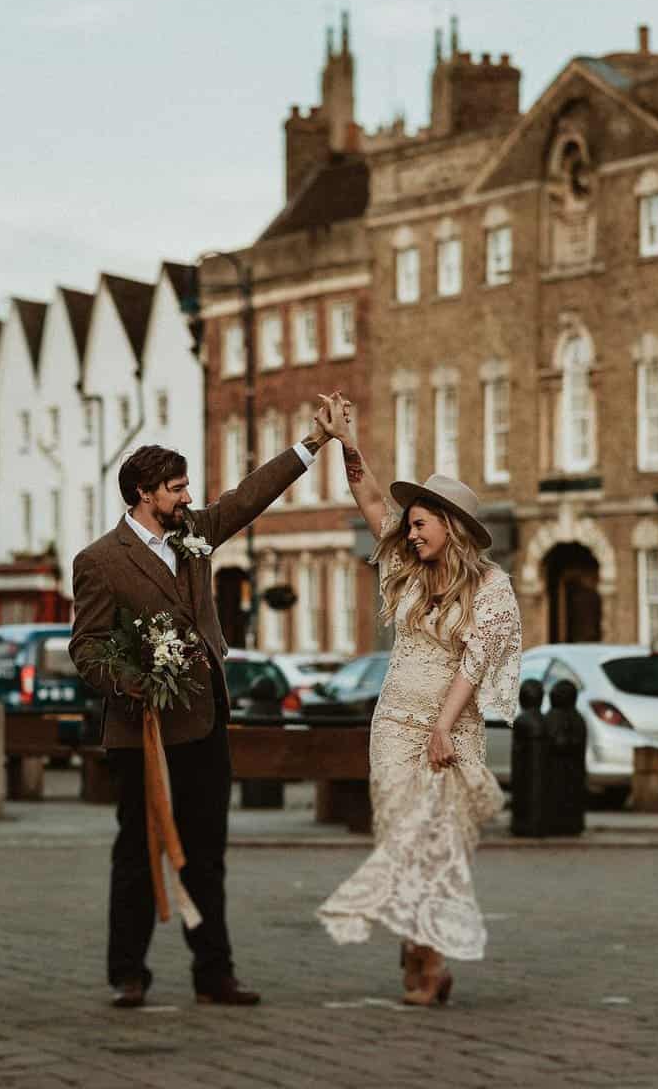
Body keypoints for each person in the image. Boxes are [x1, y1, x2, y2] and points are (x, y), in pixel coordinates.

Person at [70, 409, 333, 1010]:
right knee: (138, 855)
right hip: (143, 733)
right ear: (143, 495)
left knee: (207, 855)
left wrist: (312, 443)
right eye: (176, 488)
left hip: (206, 722)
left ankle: (214, 973)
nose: (189, 497)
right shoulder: (100, 561)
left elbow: (248, 498)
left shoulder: (196, 534)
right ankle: (128, 973)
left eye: (187, 486)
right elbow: (85, 647)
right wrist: (131, 679)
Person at [315, 392, 522, 1006]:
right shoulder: (404, 567)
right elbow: (372, 500)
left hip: (448, 729)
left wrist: (443, 726)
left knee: (436, 845)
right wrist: (346, 442)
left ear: (450, 527)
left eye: (421, 523)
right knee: (401, 842)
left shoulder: (491, 587)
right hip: (393, 727)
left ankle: (425, 960)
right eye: (410, 525)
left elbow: (476, 659)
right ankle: (420, 946)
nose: (410, 530)